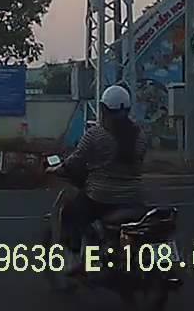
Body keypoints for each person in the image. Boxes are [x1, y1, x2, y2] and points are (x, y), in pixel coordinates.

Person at [56, 84, 147, 266]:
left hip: (101, 198)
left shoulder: (96, 134)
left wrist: (58, 168)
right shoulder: (140, 136)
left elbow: (76, 160)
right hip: (133, 197)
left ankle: (75, 259)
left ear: (103, 109)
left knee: (70, 213)